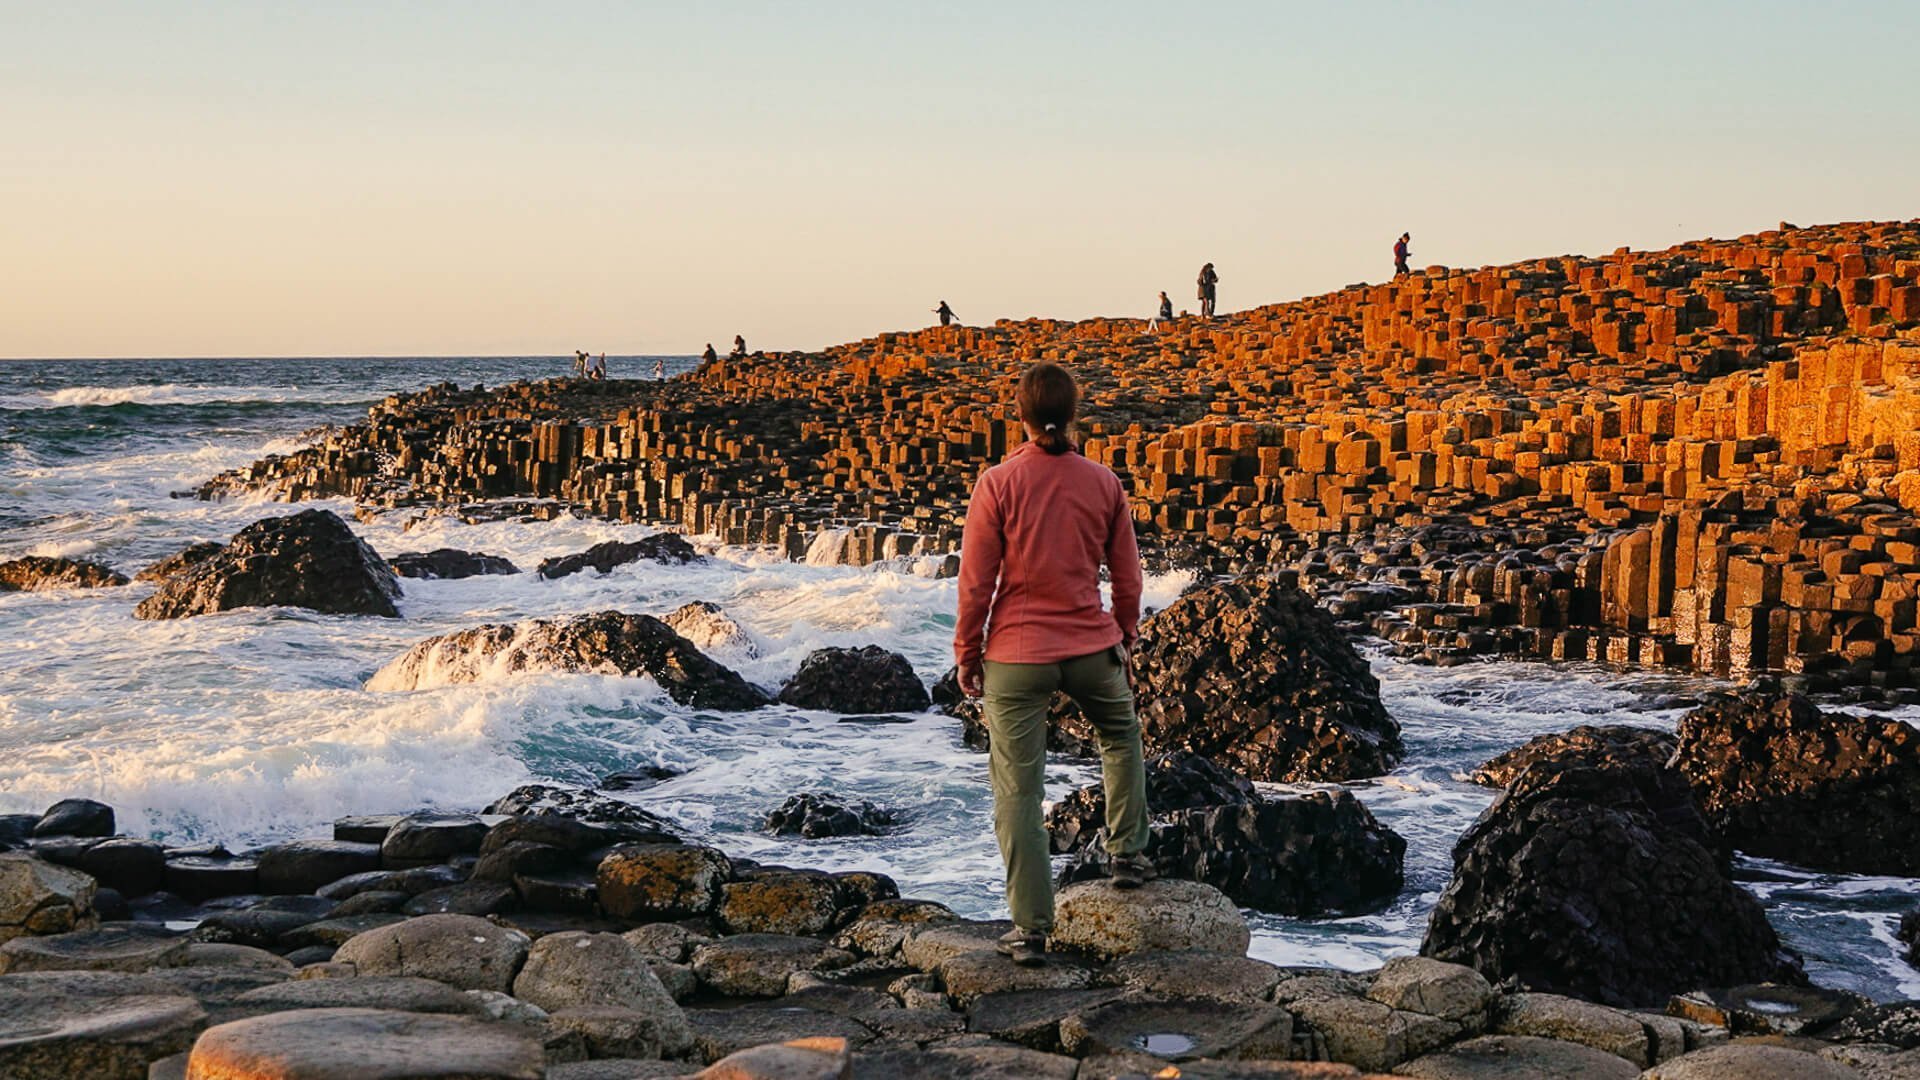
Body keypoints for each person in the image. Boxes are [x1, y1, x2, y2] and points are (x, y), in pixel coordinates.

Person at [953, 363, 1151, 969]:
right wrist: (1124, 630)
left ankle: (1032, 929)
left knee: (1018, 788)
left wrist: (967, 652)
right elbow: (1128, 574)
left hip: (1015, 657)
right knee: (1120, 737)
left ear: (1019, 414)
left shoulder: (997, 483)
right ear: (1074, 412)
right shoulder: (1103, 482)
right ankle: (1128, 857)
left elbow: (975, 583)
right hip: (1091, 649)